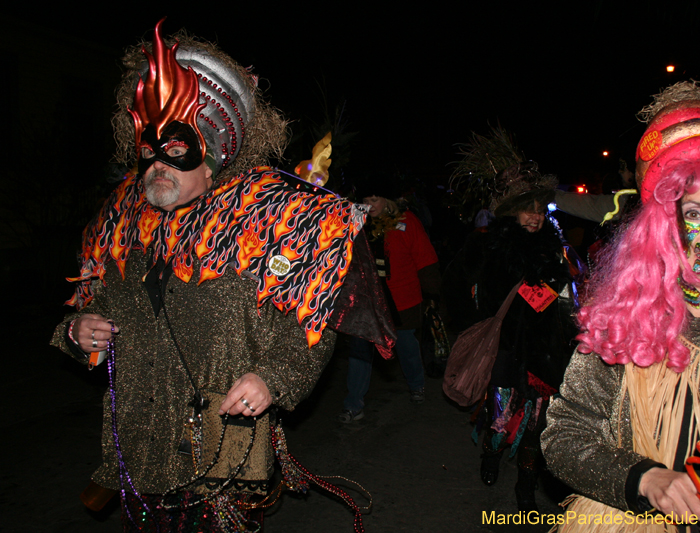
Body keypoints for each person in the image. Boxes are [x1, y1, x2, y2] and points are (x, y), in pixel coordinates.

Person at [50, 20, 388, 531]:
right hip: (137, 451)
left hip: (219, 455)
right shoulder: (118, 229)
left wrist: (271, 377)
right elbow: (85, 316)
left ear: (210, 162)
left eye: (176, 151)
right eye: (149, 152)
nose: (157, 165)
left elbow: (308, 329)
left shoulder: (264, 223)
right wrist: (78, 333)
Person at [541, 81, 700, 533]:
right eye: (694, 214)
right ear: (663, 227)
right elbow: (563, 436)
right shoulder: (624, 327)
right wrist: (643, 479)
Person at [444, 156, 579, 512]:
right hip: (505, 352)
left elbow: (569, 298)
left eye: (539, 210)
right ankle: (491, 453)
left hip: (544, 354)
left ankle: (526, 483)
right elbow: (458, 282)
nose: (535, 216)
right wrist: (474, 321)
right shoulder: (491, 246)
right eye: (527, 210)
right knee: (501, 418)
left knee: (535, 426)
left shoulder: (556, 247)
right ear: (512, 213)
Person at [339, 182, 441, 422]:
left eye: (375, 199)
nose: (370, 205)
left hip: (401, 302)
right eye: (366, 200)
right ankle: (353, 404)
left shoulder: (407, 223)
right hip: (366, 302)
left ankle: (416, 384)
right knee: (360, 349)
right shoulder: (356, 223)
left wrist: (432, 294)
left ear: (387, 200)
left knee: (406, 345)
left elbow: (425, 259)